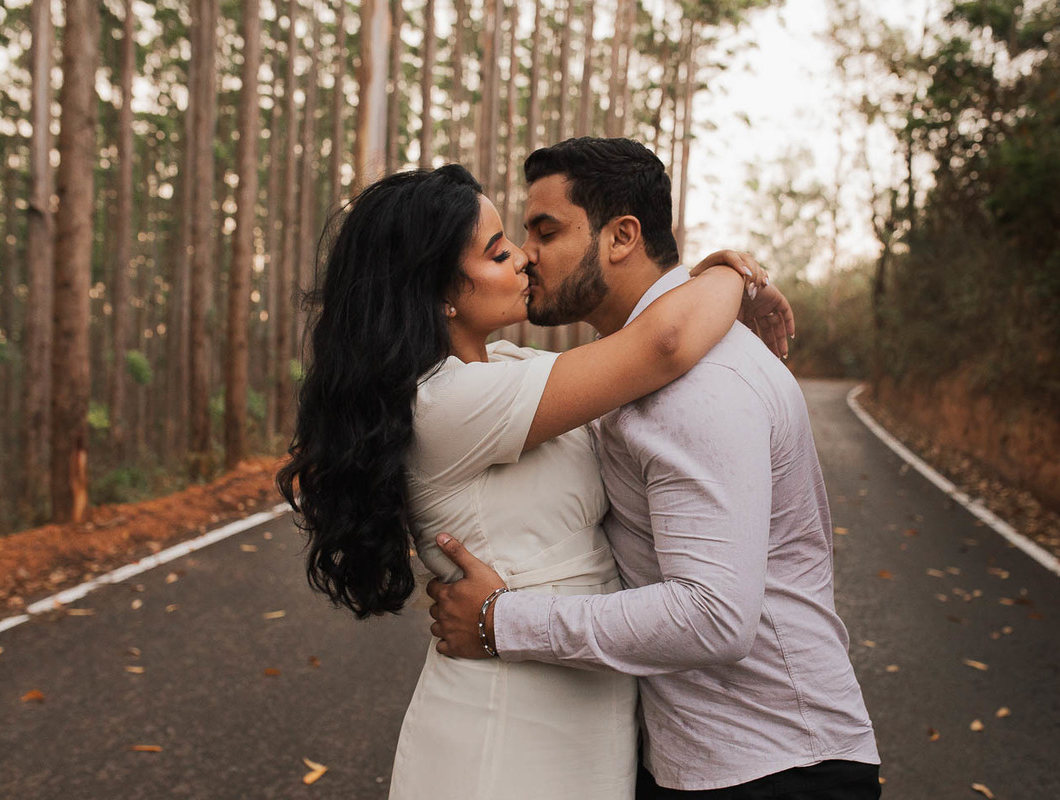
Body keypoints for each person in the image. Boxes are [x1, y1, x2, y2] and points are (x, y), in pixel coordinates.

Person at [275, 163, 791, 800]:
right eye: (497, 251)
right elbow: (665, 341)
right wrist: (729, 276)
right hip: (506, 723)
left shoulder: (511, 368)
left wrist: (706, 278)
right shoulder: (447, 401)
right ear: (439, 292)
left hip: (580, 712)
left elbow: (642, 349)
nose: (523, 258)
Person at [428, 138, 882, 800]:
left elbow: (714, 616)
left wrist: (502, 621)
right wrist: (730, 275)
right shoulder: (629, 369)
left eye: (545, 230)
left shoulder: (697, 383)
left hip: (776, 766)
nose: (527, 255)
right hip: (698, 758)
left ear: (621, 237)